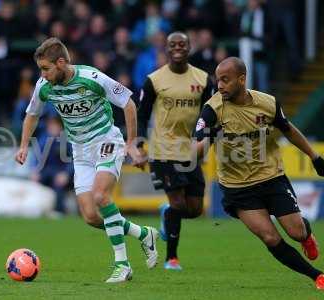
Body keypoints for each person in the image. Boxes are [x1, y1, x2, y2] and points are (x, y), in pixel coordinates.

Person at [15, 37, 159, 283]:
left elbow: (128, 103)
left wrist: (132, 143)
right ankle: (144, 234)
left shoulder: (92, 78)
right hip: (80, 151)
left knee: (101, 196)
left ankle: (122, 265)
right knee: (91, 216)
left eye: (46, 68)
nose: (43, 74)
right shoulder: (44, 86)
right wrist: (24, 145)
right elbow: (31, 115)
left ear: (61, 63)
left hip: (106, 140)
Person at [194, 56, 324, 290]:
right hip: (237, 188)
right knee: (271, 237)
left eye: (225, 80)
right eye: (217, 80)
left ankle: (306, 236)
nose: (220, 85)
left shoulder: (267, 103)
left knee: (296, 231)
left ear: (241, 79)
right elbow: (198, 144)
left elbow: (289, 130)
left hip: (271, 177)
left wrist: (314, 157)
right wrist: (201, 145)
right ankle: (317, 276)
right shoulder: (212, 109)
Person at [137, 32, 214, 270]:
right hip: (163, 151)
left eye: (182, 44)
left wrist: (206, 142)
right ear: (166, 49)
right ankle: (172, 259)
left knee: (194, 209)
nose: (178, 48)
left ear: (190, 48)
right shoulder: (154, 79)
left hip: (191, 152)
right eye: (173, 45)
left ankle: (166, 213)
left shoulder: (203, 79)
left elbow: (210, 116)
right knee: (179, 204)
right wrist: (138, 146)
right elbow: (142, 114)